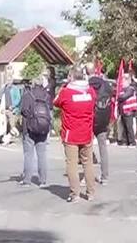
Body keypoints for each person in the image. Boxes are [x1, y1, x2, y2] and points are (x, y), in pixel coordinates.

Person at [54, 66, 98, 203]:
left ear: (71, 77)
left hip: (71, 134)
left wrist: (64, 87)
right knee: (88, 163)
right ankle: (91, 193)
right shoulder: (90, 92)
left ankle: (75, 194)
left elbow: (56, 103)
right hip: (86, 133)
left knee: (71, 164)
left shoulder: (66, 92)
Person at [18, 72, 52, 187]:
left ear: (32, 84)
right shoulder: (47, 96)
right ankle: (43, 180)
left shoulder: (28, 94)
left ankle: (27, 179)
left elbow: (23, 110)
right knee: (42, 153)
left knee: (28, 154)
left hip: (29, 128)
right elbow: (50, 110)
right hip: (43, 127)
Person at [86, 65, 113, 184]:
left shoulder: (86, 85)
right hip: (103, 118)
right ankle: (105, 176)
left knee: (87, 148)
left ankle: (87, 176)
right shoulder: (106, 84)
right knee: (103, 148)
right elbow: (111, 98)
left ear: (86, 72)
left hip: (90, 118)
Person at [116, 67, 137, 147]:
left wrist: (119, 97)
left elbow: (123, 97)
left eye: (123, 80)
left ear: (127, 81)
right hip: (124, 110)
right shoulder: (124, 89)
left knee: (129, 127)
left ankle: (132, 142)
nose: (122, 82)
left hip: (129, 110)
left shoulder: (130, 89)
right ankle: (126, 141)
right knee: (124, 126)